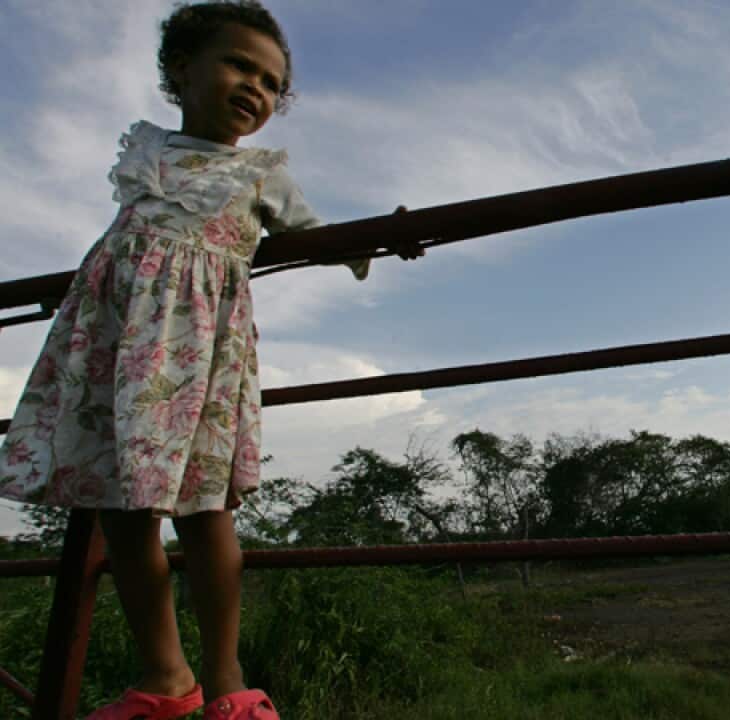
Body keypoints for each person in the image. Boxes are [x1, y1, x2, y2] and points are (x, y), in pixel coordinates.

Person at [0, 2, 422, 718]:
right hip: (112, 351)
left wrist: (381, 238)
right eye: (237, 64)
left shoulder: (262, 176)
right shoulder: (147, 154)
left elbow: (321, 236)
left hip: (195, 362)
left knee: (205, 514)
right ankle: (166, 678)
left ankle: (228, 683)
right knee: (126, 517)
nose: (254, 87)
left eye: (269, 81)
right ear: (181, 68)